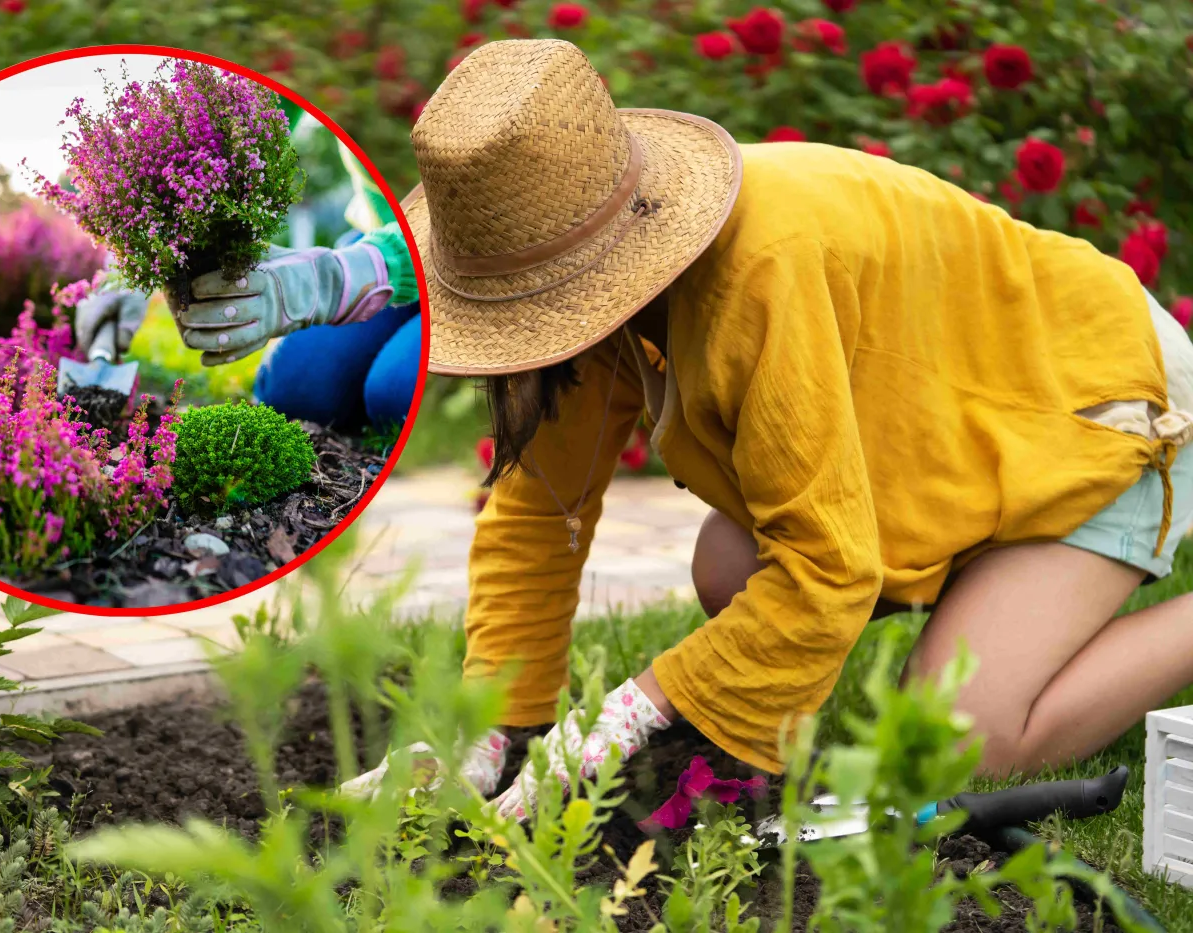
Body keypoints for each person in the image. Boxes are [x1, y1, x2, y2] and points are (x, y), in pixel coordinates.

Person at [329, 38, 1193, 822]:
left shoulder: (760, 271)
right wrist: (496, 728)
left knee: (954, 744)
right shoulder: (580, 268)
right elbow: (536, 512)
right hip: (947, 418)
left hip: (1089, 402)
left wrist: (638, 703)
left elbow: (828, 567)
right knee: (730, 566)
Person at [75, 110, 421, 434]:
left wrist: (336, 279)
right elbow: (233, 114)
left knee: (392, 393)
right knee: (294, 392)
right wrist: (131, 258)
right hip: (379, 232)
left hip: (450, 259)